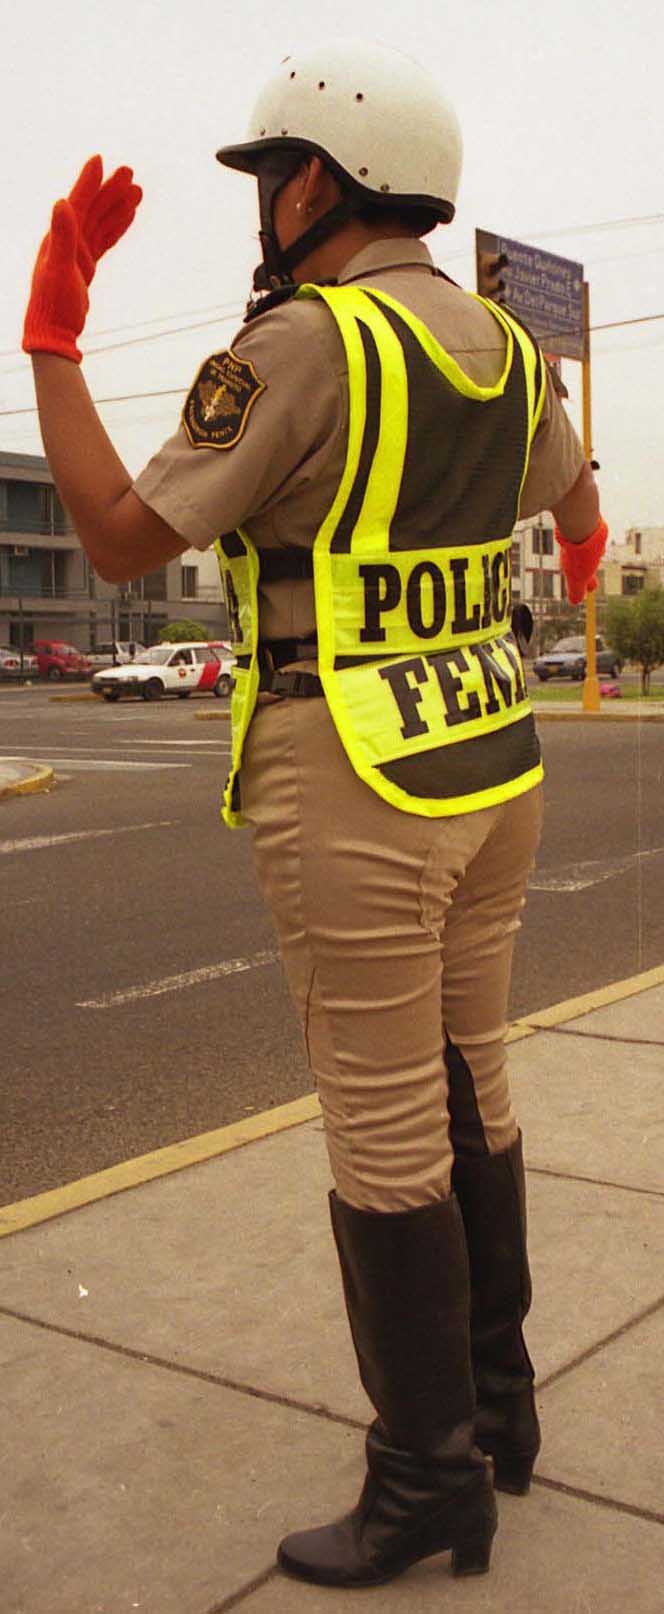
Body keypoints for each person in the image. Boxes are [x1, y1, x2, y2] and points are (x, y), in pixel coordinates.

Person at [23, 40, 607, 1591]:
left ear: (326, 183)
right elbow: (577, 506)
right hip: (493, 766)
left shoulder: (304, 345)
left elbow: (116, 533)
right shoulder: (497, 344)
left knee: (383, 1118)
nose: (267, 205)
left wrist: (52, 342)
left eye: (276, 175)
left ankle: (426, 1481)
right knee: (473, 1073)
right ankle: (499, 1406)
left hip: (353, 763)